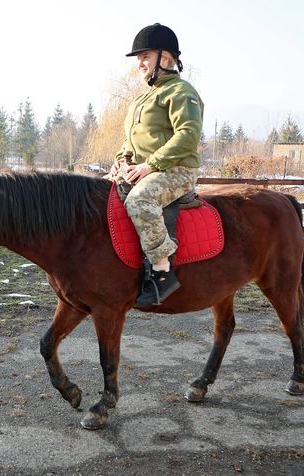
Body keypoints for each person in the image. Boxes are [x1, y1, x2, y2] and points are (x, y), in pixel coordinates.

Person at [110, 23, 204, 306]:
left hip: (176, 171)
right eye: (138, 59)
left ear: (164, 59)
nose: (139, 64)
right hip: (144, 168)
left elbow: (188, 135)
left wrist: (151, 165)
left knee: (139, 200)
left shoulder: (181, 91)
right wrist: (120, 161)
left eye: (144, 57)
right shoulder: (142, 98)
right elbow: (131, 140)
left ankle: (163, 272)